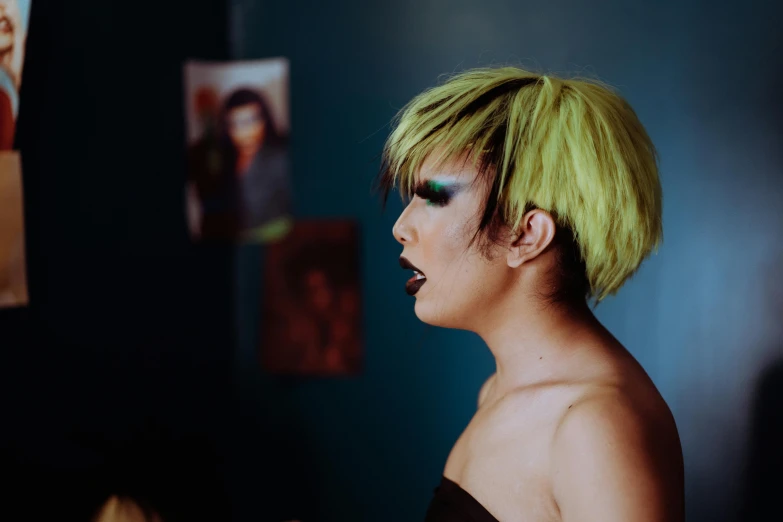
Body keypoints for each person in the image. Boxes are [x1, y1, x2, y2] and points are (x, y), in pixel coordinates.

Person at [378, 67, 684, 521]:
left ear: (527, 235)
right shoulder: (499, 390)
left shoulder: (594, 427)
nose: (400, 228)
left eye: (435, 197)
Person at [193, 87, 291, 242]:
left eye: (251, 121)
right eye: (236, 124)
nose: (245, 132)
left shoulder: (281, 158)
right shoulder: (220, 159)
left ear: (265, 120)